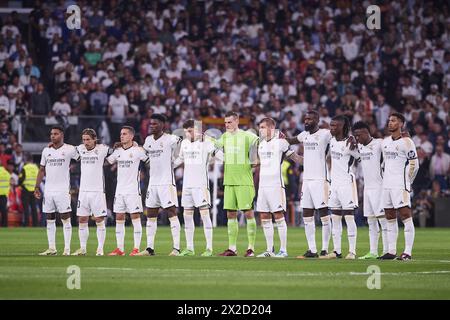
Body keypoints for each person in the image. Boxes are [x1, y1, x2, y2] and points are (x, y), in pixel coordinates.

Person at [285, 110, 332, 258]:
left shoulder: (325, 134)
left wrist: (349, 137)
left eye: (310, 119)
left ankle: (325, 249)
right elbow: (291, 140)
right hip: (307, 181)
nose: (306, 121)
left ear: (317, 120)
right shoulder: (304, 135)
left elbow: (340, 135)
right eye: (305, 119)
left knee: (324, 215)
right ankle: (312, 250)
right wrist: (278, 138)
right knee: (307, 214)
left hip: (321, 180)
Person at [255, 118, 302, 258]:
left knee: (278, 216)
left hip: (276, 185)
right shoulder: (261, 144)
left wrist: (309, 161)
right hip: (263, 186)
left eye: (263, 127)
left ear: (271, 128)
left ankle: (283, 250)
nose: (260, 130)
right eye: (260, 127)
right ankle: (269, 250)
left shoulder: (281, 142)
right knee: (264, 216)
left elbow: (295, 158)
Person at [215, 111, 259, 257]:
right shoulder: (224, 136)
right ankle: (232, 248)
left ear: (237, 121)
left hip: (244, 181)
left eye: (230, 122)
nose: (227, 125)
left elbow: (261, 143)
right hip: (229, 181)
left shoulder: (247, 135)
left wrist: (255, 158)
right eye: (225, 122)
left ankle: (251, 248)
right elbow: (214, 148)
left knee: (248, 213)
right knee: (230, 214)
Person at [138, 114, 182, 256]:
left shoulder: (170, 139)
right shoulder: (148, 140)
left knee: (171, 212)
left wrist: (174, 163)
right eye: (151, 124)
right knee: (150, 214)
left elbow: (184, 146)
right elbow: (142, 153)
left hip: (166, 183)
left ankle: (176, 248)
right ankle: (149, 248)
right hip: (153, 183)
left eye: (155, 124)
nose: (152, 126)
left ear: (163, 125)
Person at [173, 119, 216, 257]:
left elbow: (216, 153)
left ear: (196, 130)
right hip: (187, 186)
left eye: (190, 131)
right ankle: (190, 248)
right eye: (185, 131)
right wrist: (168, 165)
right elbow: (179, 159)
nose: (187, 134)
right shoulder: (184, 143)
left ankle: (209, 248)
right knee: (187, 215)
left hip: (201, 185)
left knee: (204, 215)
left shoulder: (206, 142)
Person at [379, 112, 419, 260]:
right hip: (387, 186)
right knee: (389, 216)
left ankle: (407, 252)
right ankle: (391, 251)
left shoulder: (407, 142)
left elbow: (415, 164)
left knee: (405, 215)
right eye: (389, 121)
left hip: (400, 185)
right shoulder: (385, 142)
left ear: (401, 124)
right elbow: (383, 164)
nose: (390, 123)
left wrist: (408, 182)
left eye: (394, 121)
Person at [34, 125, 79, 255]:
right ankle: (52, 248)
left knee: (65, 218)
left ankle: (67, 249)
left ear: (62, 135)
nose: (53, 136)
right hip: (48, 190)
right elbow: (42, 170)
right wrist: (36, 187)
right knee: (50, 218)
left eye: (56, 134)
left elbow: (83, 157)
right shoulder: (46, 151)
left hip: (62, 190)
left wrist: (75, 169)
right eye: (51, 134)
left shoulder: (70, 149)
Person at [106, 126, 148, 256]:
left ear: (131, 136)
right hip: (119, 190)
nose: (122, 136)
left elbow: (149, 161)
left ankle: (136, 248)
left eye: (124, 134)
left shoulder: (138, 150)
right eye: (121, 134)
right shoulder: (117, 151)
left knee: (135, 217)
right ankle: (120, 249)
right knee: (119, 217)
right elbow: (107, 162)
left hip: (133, 190)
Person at [349, 121, 389, 259]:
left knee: (383, 221)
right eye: (355, 136)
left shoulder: (379, 143)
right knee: (371, 221)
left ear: (366, 132)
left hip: (379, 187)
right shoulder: (359, 147)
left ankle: (388, 251)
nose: (357, 138)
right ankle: (373, 251)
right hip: (367, 189)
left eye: (358, 135)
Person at [324, 115, 358, 259]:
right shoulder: (331, 141)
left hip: (347, 184)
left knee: (349, 218)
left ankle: (352, 251)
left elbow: (363, 157)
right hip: (334, 184)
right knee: (335, 218)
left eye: (335, 126)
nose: (332, 128)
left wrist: (355, 140)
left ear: (342, 127)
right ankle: (337, 251)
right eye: (331, 125)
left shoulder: (350, 144)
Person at [71, 128, 110, 256]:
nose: (85, 142)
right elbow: (65, 149)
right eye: (84, 139)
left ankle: (100, 248)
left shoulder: (102, 149)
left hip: (98, 190)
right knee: (82, 219)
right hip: (83, 191)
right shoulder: (80, 149)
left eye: (88, 139)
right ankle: (83, 248)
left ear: (95, 139)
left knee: (99, 219)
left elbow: (117, 151)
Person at [18, 153, 39, 227]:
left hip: (26, 190)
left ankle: (26, 224)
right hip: (34, 190)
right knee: (34, 208)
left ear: (26, 159)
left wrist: (20, 185)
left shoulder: (25, 167)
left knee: (26, 208)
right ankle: (35, 224)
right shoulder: (36, 168)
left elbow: (20, 179)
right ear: (32, 159)